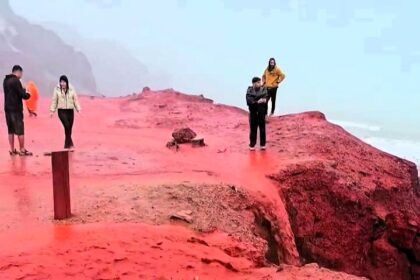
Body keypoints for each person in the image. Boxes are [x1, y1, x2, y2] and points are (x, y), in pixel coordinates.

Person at [3, 65, 32, 156]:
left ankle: (12, 150)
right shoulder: (16, 81)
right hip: (16, 109)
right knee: (20, 130)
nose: (21, 75)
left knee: (10, 130)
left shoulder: (5, 80)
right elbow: (23, 95)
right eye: (21, 73)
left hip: (7, 109)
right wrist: (27, 91)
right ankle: (22, 149)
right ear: (18, 71)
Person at [50, 75, 81, 149]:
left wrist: (78, 109)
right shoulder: (57, 89)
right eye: (61, 82)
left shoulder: (71, 89)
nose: (62, 83)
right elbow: (54, 100)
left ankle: (67, 144)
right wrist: (52, 111)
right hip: (61, 110)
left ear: (67, 82)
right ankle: (69, 143)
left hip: (70, 110)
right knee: (66, 125)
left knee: (69, 128)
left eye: (64, 82)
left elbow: (75, 99)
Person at [246, 77, 268, 151]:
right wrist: (258, 101)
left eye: (260, 82)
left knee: (262, 128)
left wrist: (266, 113)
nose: (260, 83)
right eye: (258, 82)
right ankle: (252, 145)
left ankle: (263, 144)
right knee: (253, 129)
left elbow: (265, 101)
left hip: (261, 111)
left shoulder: (264, 90)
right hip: (253, 112)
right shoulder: (249, 91)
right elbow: (249, 102)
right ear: (254, 83)